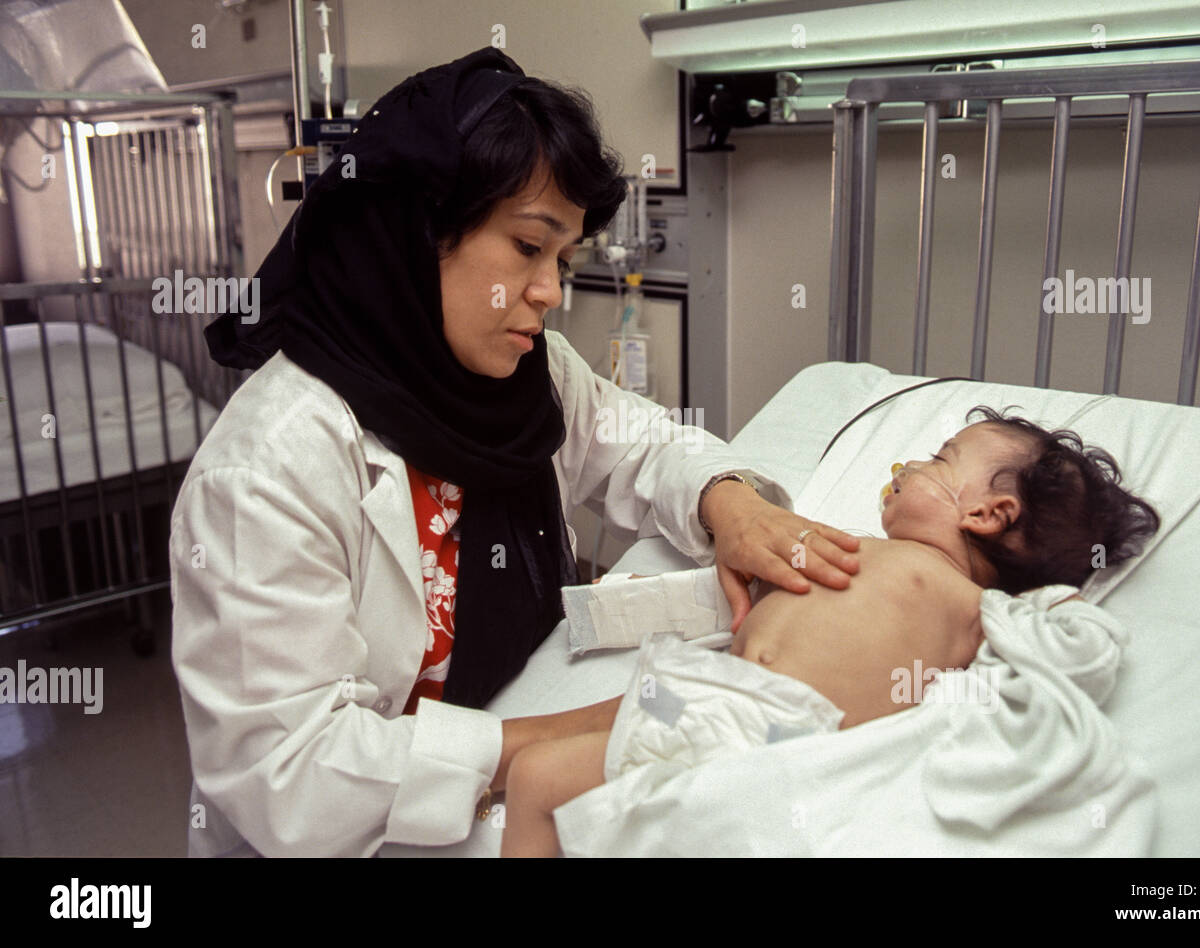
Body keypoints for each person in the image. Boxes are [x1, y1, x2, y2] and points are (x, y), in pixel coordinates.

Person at [168, 47, 861, 858]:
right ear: (416, 231)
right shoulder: (267, 471)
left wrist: (730, 503)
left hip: (505, 748)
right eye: (529, 247)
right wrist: (565, 735)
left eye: (563, 259)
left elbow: (639, 444)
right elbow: (290, 775)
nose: (551, 293)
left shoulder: (526, 373)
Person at [499, 407, 1161, 856]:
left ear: (988, 512)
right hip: (696, 699)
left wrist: (1057, 607)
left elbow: (1066, 650)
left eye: (940, 459)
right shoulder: (839, 545)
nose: (912, 466)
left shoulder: (972, 608)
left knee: (549, 783)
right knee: (540, 776)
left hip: (780, 740)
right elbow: (740, 583)